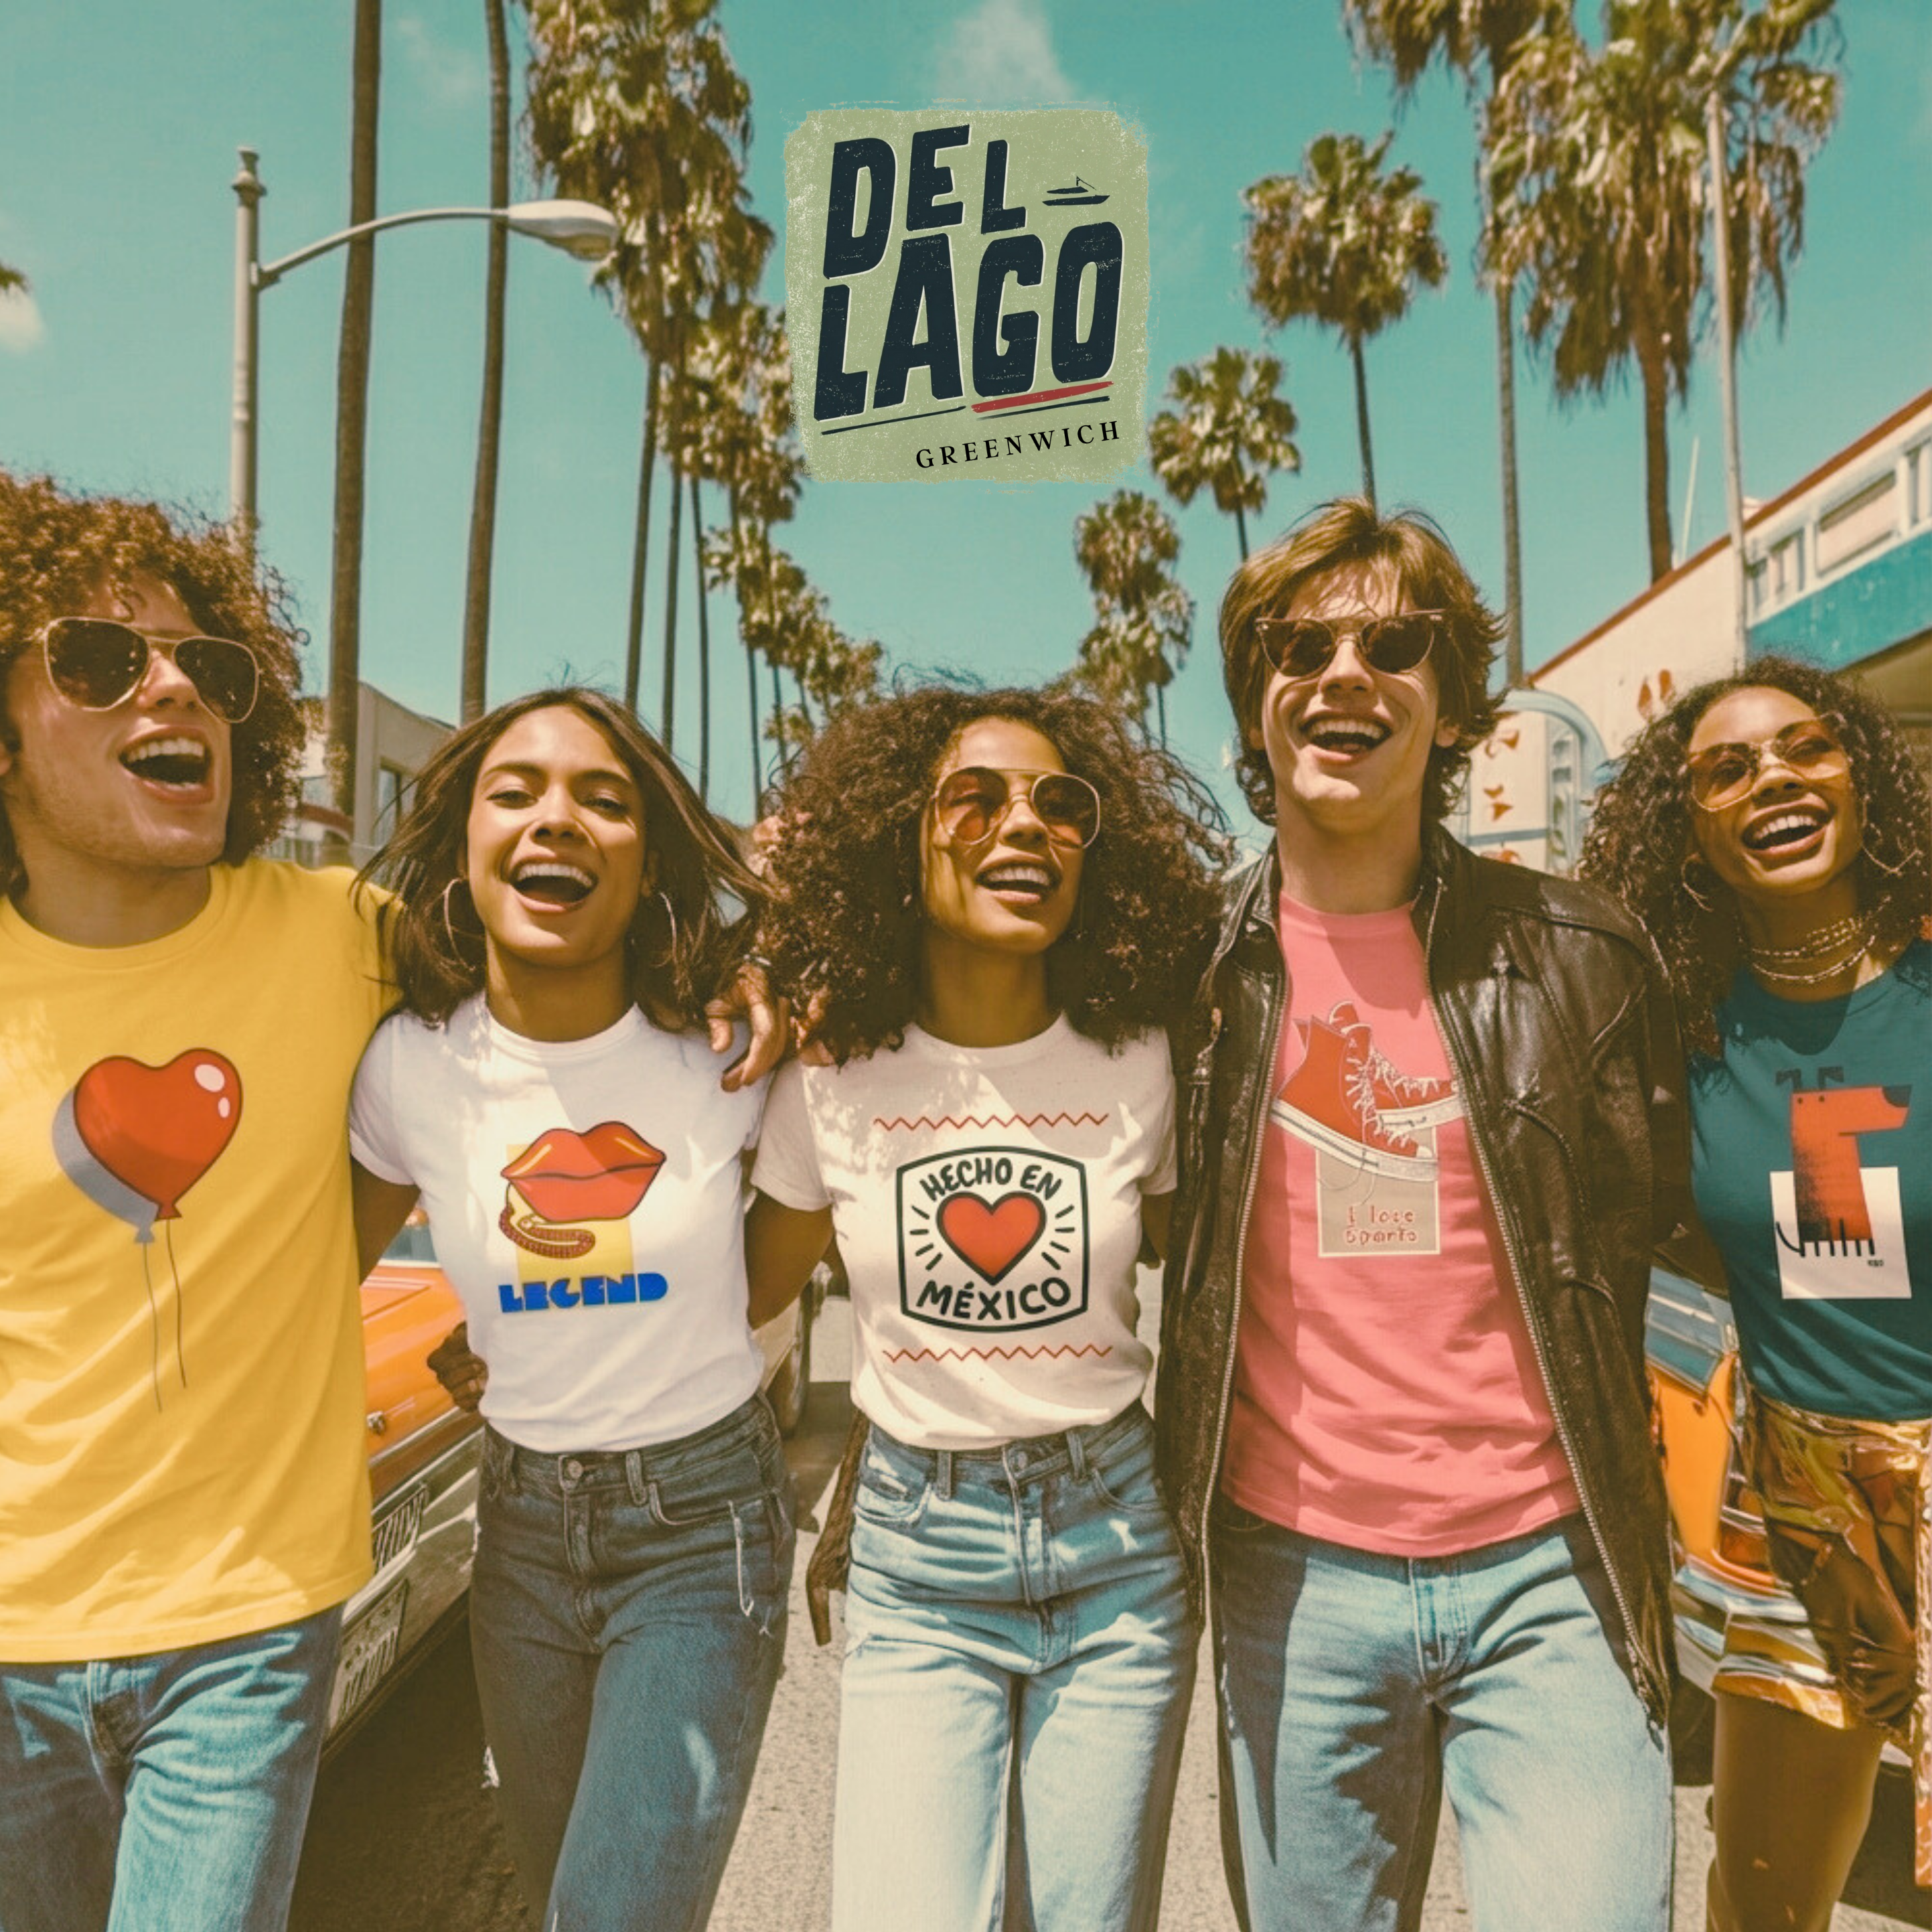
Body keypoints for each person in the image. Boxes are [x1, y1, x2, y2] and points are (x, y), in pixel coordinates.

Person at [1155, 496, 1692, 1932]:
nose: (1343, 673)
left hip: (1549, 1570)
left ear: (1449, 701)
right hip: (1291, 1574)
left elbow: (1665, 1213)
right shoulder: (1180, 978)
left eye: (1394, 644)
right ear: (1255, 700)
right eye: (1296, 645)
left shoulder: (1577, 953)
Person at [743, 685, 1225, 1932]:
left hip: (1117, 1550)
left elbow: (1242, 1273)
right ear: (898, 844)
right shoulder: (831, 1077)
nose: (1027, 824)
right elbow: (733, 1294)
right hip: (920, 1560)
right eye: (977, 797)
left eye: (1062, 805)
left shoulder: (1147, 1061)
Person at [0, 472, 386, 1932]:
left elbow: (584, 965)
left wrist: (754, 972)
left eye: (208, 668)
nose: (175, 685)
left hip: (247, 1622)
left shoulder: (346, 935)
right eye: (99, 657)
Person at [347, 688, 795, 1932]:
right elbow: (310, 1267)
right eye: (517, 790)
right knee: (558, 1897)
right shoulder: (406, 1065)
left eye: (605, 798)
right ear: (463, 846)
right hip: (522, 1533)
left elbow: (773, 1266)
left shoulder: (729, 1051)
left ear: (650, 859)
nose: (559, 818)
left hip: (703, 1534)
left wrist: (774, 974)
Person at [1580, 656, 1931, 1927]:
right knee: (1760, 1905)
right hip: (1799, 1499)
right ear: (1689, 828)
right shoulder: (1676, 1033)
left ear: (1859, 779)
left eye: (1805, 748)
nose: (1772, 779)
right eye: (1726, 770)